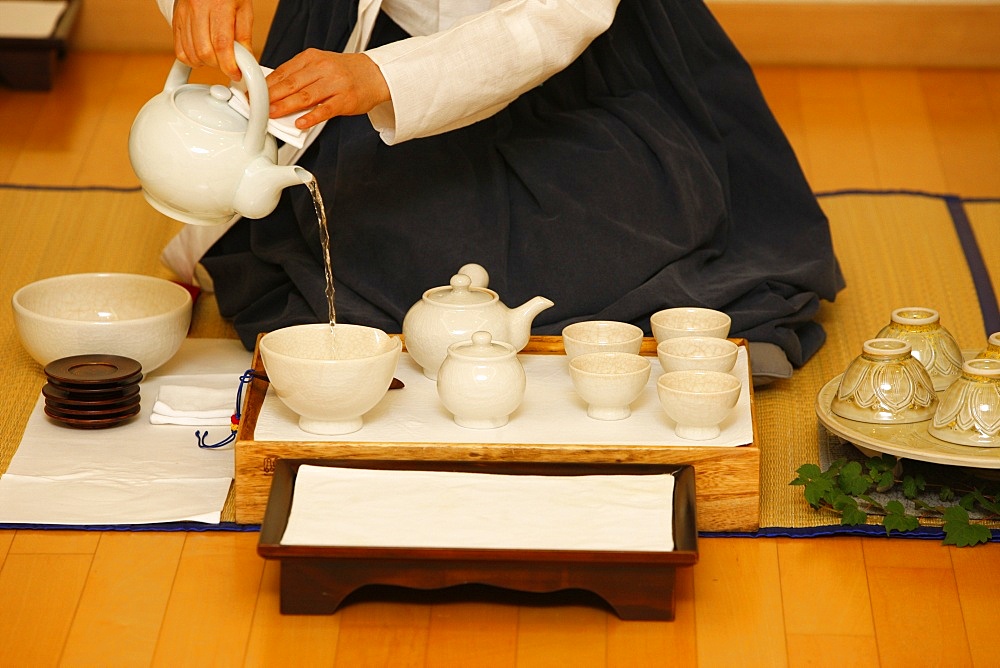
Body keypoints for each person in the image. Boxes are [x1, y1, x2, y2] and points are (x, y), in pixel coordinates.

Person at [156, 0, 844, 380]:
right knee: (350, 223)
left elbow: (557, 18)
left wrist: (387, 80)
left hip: (582, 68)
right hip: (366, 42)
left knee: (635, 220)